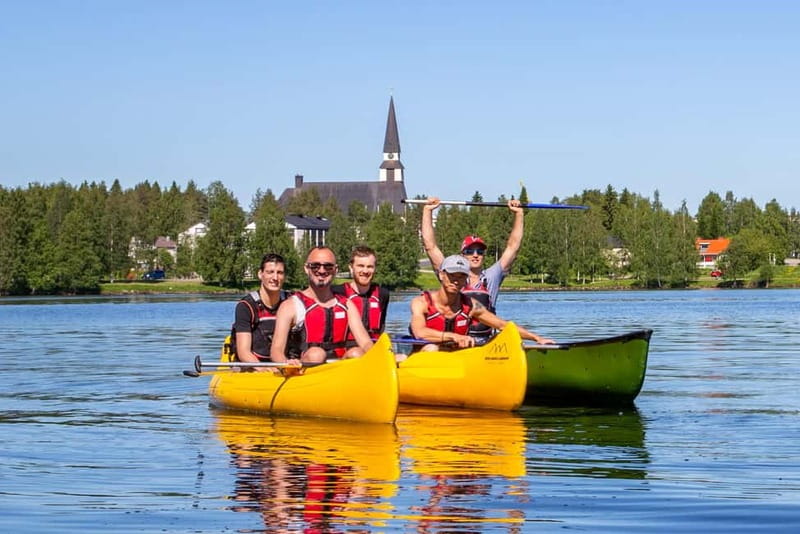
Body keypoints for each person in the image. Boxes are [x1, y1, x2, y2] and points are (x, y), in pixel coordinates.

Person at [421, 196, 524, 340]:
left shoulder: (492, 276)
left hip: (485, 341)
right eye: (470, 252)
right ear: (462, 255)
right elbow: (430, 247)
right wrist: (427, 211)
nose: (475, 255)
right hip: (458, 341)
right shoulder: (451, 274)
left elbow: (513, 247)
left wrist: (518, 214)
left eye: (480, 252)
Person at [409, 255, 554, 351]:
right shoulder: (421, 302)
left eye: (461, 277)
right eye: (451, 275)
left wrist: (537, 338)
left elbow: (502, 325)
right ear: (441, 275)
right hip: (424, 359)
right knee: (432, 349)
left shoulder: (470, 306)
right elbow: (419, 332)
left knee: (504, 340)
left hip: (458, 360)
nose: (455, 280)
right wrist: (454, 336)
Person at [271, 246, 374, 364]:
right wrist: (286, 364)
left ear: (335, 270)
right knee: (316, 354)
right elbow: (276, 351)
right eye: (315, 266)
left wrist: (379, 357)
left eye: (328, 266)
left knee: (357, 353)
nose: (321, 271)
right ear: (306, 268)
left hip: (339, 370)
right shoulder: (290, 306)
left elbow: (366, 342)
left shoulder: (347, 305)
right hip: (304, 371)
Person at [232, 253, 292, 363]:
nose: (275, 278)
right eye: (270, 272)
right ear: (260, 274)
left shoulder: (292, 301)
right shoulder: (245, 306)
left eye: (280, 273)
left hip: (286, 363)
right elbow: (244, 352)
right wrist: (262, 368)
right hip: (255, 366)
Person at [332, 245, 391, 348]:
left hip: (371, 349)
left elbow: (381, 328)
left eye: (370, 267)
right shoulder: (337, 292)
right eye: (360, 266)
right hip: (344, 351)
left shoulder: (383, 294)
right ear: (351, 267)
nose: (365, 271)